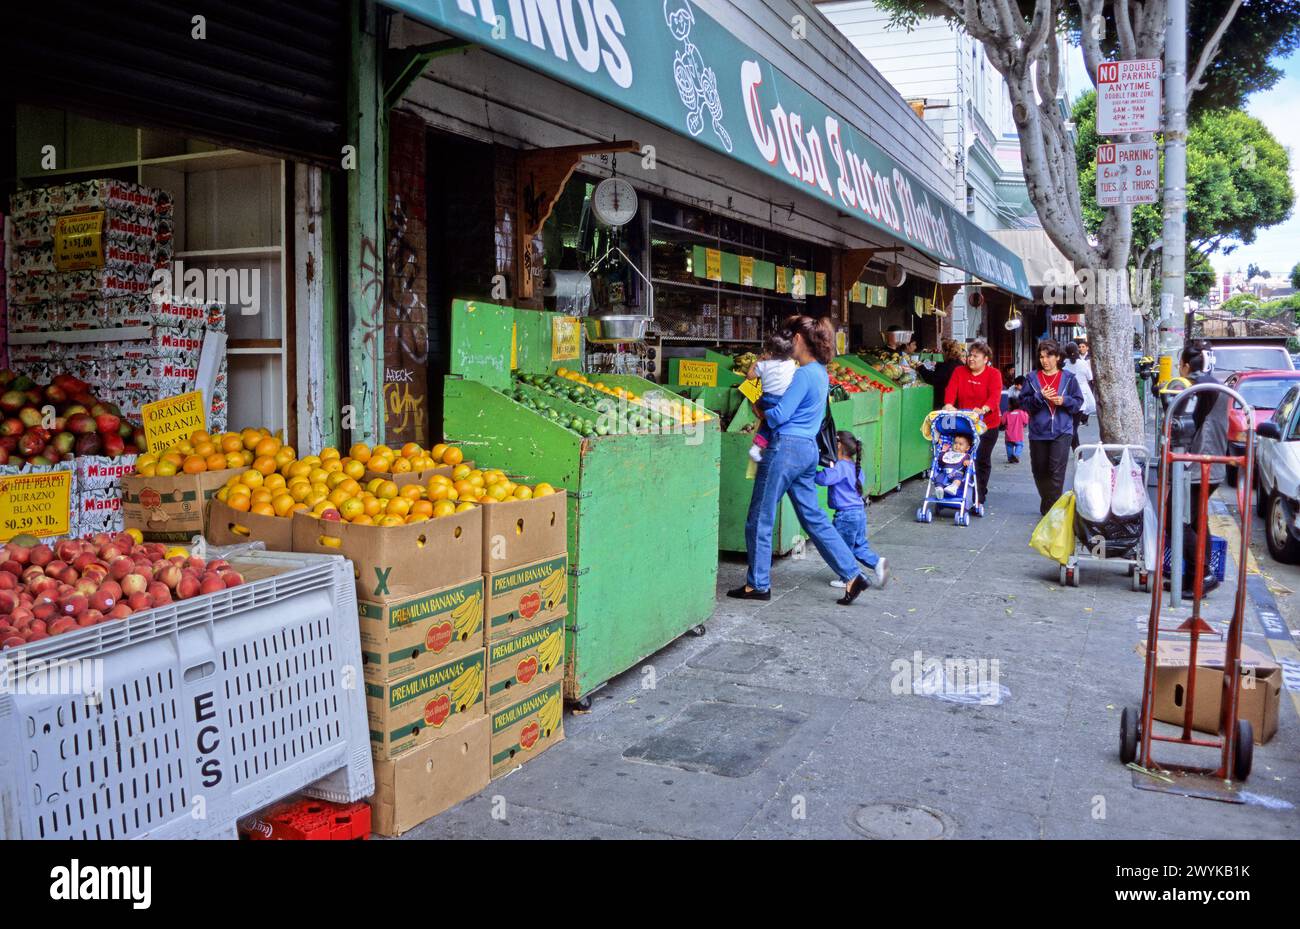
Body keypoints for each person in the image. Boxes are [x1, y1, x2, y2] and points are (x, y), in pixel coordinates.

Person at [729, 315, 874, 605]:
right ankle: (852, 575)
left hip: (785, 450)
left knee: (760, 516)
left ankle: (757, 584)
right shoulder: (821, 373)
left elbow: (780, 415)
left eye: (790, 337)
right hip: (807, 450)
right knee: (814, 517)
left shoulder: (804, 373)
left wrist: (760, 408)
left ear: (798, 340)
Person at [1169, 340, 1227, 596]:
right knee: (1196, 520)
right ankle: (1196, 577)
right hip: (1211, 464)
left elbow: (1184, 423)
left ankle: (1204, 574)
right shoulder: (1215, 383)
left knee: (1177, 521)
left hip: (1198, 465)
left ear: (1184, 365)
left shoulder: (1195, 387)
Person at [816, 430, 891, 590]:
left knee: (841, 548)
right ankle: (878, 563)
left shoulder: (840, 467)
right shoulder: (855, 468)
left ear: (838, 446)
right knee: (859, 546)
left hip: (845, 516)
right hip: (859, 513)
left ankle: (847, 578)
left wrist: (812, 474)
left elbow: (824, 479)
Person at [1019, 340, 1085, 515]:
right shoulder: (1032, 378)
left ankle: (1052, 511)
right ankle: (1047, 500)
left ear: (1057, 357)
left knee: (1056, 472)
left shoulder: (1068, 378)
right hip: (1038, 432)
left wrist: (1064, 401)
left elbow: (1078, 402)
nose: (1044, 360)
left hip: (1062, 431)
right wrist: (1039, 396)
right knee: (1039, 470)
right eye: (1041, 356)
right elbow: (1024, 403)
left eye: (1048, 356)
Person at [942, 340, 1002, 507]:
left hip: (987, 424)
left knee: (980, 458)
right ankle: (959, 489)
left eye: (976, 356)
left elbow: (995, 396)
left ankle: (979, 495)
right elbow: (950, 390)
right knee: (962, 457)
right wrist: (948, 404)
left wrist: (984, 408)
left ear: (986, 359)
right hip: (965, 424)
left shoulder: (994, 374)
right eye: (969, 355)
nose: (971, 359)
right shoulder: (959, 371)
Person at [746, 332, 798, 463]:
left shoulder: (763, 365)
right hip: (783, 400)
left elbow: (750, 376)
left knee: (766, 423)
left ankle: (757, 447)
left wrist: (758, 361)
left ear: (769, 352)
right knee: (778, 424)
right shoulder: (791, 364)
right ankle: (775, 450)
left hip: (767, 400)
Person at [1063, 342, 1096, 450]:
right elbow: (1090, 377)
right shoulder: (1083, 363)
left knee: (1071, 426)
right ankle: (1076, 450)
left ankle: (1076, 450)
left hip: (1067, 396)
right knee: (1074, 427)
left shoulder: (1064, 364)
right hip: (1081, 396)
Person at [919, 340, 964, 412]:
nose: (941, 353)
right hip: (957, 402)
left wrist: (921, 368)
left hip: (944, 401)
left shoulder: (946, 366)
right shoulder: (960, 364)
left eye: (942, 351)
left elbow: (934, 379)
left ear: (947, 352)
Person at [1003, 398, 1028, 464]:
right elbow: (1026, 421)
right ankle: (1016, 455)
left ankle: (1010, 458)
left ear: (1010, 405)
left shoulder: (1006, 413)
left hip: (1009, 436)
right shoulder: (1021, 413)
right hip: (1018, 435)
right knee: (1019, 445)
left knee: (1009, 446)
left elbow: (1003, 422)